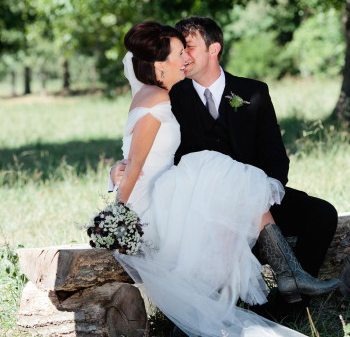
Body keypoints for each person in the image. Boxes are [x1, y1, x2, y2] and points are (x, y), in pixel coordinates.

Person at [108, 20, 338, 337]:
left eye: (188, 47)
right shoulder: (170, 94)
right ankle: (199, 318)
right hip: (198, 204)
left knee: (322, 214)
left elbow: (275, 155)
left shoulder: (252, 92)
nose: (182, 55)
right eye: (179, 49)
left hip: (258, 200)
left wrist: (269, 186)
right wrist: (117, 173)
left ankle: (291, 306)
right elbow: (146, 153)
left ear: (214, 49)